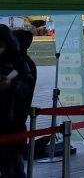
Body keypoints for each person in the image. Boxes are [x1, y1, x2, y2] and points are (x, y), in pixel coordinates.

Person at [0, 24, 35, 178]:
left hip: (12, 124)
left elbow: (27, 87)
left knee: (14, 169)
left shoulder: (20, 62)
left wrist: (11, 85)